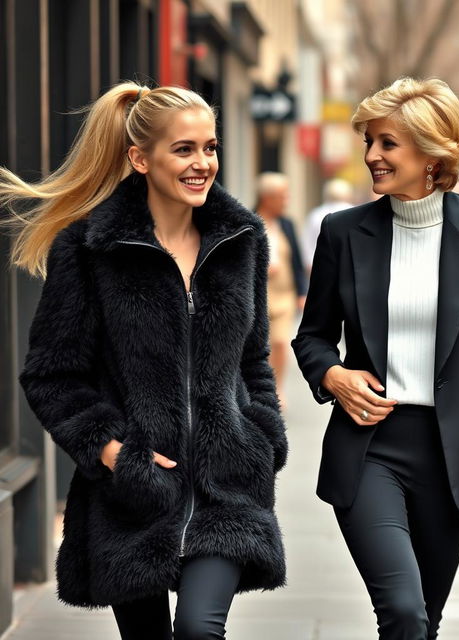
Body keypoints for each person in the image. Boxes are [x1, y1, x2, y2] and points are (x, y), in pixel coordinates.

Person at [0, 82, 287, 639]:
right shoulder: (88, 249)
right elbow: (51, 375)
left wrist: (262, 436)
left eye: (210, 147)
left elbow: (254, 360)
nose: (202, 163)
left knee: (201, 630)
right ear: (140, 158)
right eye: (184, 149)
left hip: (227, 487)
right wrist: (111, 453)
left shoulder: (241, 240)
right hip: (133, 498)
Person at [292, 77, 459, 639]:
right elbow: (312, 338)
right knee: (402, 608)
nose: (371, 155)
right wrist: (332, 374)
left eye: (387, 143)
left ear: (432, 153)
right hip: (371, 446)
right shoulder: (344, 232)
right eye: (370, 141)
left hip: (457, 455)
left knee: (423, 619)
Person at [255, 172, 307, 406]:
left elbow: (296, 259)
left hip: (284, 294)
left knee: (279, 342)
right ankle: (258, 387)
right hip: (259, 294)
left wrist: (302, 292)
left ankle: (276, 388)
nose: (286, 201)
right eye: (283, 196)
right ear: (268, 197)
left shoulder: (287, 224)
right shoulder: (249, 221)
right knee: (257, 345)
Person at [302, 178, 354, 270]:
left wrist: (309, 264)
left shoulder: (316, 214)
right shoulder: (353, 212)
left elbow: (307, 242)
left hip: (320, 264)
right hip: (348, 265)